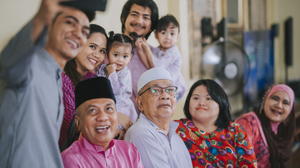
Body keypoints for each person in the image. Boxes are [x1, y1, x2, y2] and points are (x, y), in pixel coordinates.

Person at [0, 0, 95, 167]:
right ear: (50, 24)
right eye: (70, 22)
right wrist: (41, 17)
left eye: (84, 32)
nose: (78, 34)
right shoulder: (29, 64)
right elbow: (7, 64)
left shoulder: (58, 78)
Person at [61, 77, 144, 168]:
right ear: (78, 122)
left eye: (108, 109)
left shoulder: (129, 150)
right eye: (92, 110)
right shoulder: (69, 160)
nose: (103, 117)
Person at [176, 79, 257, 168]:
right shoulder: (176, 128)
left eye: (208, 98)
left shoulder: (235, 131)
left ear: (221, 103)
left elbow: (249, 165)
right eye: (196, 98)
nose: (201, 103)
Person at [124, 67, 193, 168]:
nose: (165, 95)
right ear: (140, 103)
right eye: (155, 90)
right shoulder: (141, 134)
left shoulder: (176, 138)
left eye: (170, 90)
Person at [59, 24, 108, 152]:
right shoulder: (61, 79)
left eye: (102, 51)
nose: (97, 55)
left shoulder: (92, 79)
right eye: (93, 47)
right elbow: (73, 123)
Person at [235, 84, 295, 168]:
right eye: (275, 98)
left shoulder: (282, 131)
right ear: (265, 100)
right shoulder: (248, 123)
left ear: (290, 110)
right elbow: (242, 160)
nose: (279, 105)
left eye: (285, 103)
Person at [137, 14, 187, 102]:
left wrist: (146, 48)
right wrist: (140, 50)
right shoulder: (157, 50)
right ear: (156, 34)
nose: (168, 37)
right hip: (162, 88)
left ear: (177, 37)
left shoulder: (173, 51)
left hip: (174, 89)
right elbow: (150, 65)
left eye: (172, 33)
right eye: (163, 33)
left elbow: (158, 67)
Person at [120, 0, 159, 113]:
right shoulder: (107, 49)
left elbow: (177, 89)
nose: (139, 21)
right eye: (134, 15)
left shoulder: (157, 56)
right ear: (124, 18)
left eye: (146, 17)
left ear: (152, 26)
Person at [97, 31, 139, 124]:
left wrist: (112, 73)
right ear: (108, 54)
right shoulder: (103, 68)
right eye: (116, 55)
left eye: (125, 56)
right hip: (104, 104)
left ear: (130, 56)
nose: (120, 60)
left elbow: (115, 91)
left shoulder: (125, 73)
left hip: (121, 106)